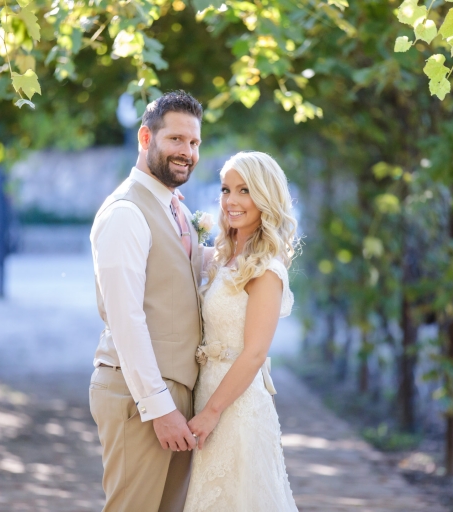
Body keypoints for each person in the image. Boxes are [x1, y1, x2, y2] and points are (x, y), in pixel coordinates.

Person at [89, 90, 204, 512]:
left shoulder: (176, 210)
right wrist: (159, 407)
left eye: (193, 143)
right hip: (139, 397)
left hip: (174, 394)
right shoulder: (125, 213)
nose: (187, 152)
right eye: (175, 139)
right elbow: (127, 321)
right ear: (145, 138)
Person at [183, 151, 299, 511]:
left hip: (236, 407)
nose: (231, 200)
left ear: (265, 196)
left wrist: (211, 412)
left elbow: (254, 354)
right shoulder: (225, 256)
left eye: (244, 190)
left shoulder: (266, 268)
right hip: (208, 391)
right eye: (225, 189)